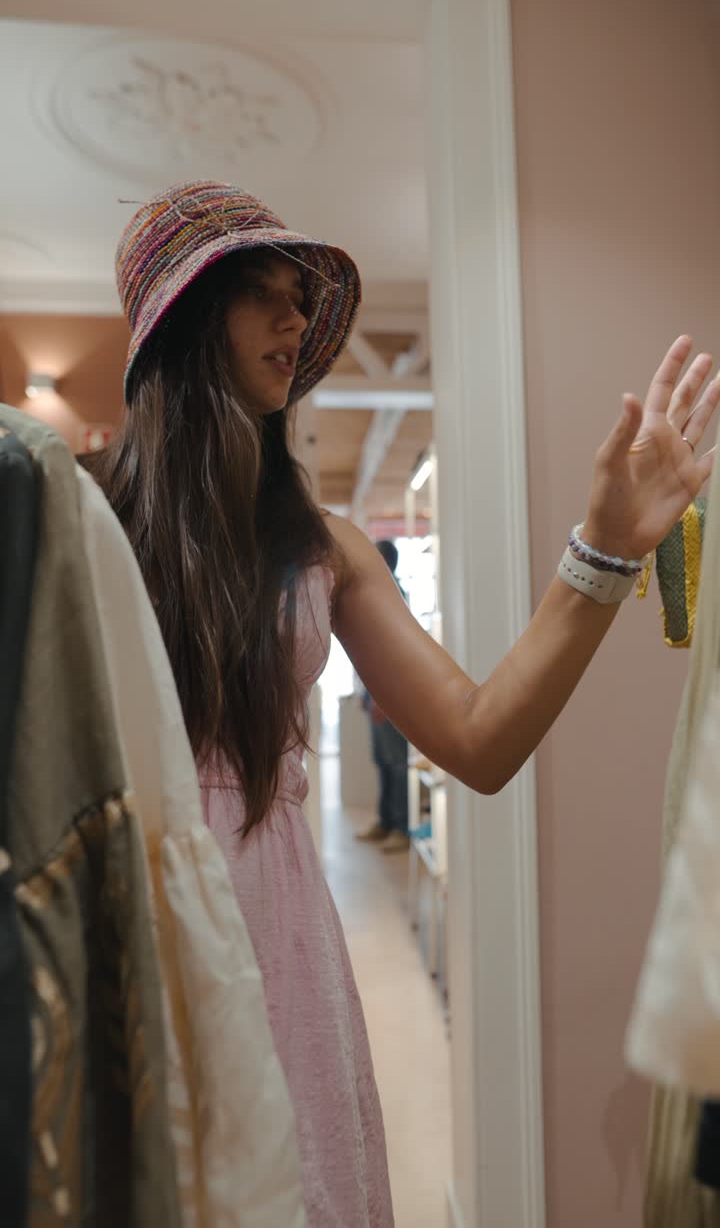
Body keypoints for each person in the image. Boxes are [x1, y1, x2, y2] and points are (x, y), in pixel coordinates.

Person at [85, 179, 719, 1228]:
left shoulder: (322, 544)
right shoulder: (82, 524)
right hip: (129, 913)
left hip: (278, 923)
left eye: (301, 298)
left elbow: (480, 737)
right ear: (189, 318)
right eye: (264, 294)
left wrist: (607, 548)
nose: (295, 322)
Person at [357, 540, 410, 852]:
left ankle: (401, 827)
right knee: (383, 761)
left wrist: (380, 699)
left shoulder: (393, 597)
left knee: (396, 763)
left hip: (388, 695)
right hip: (376, 692)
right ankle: (387, 821)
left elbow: (392, 654)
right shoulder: (379, 594)